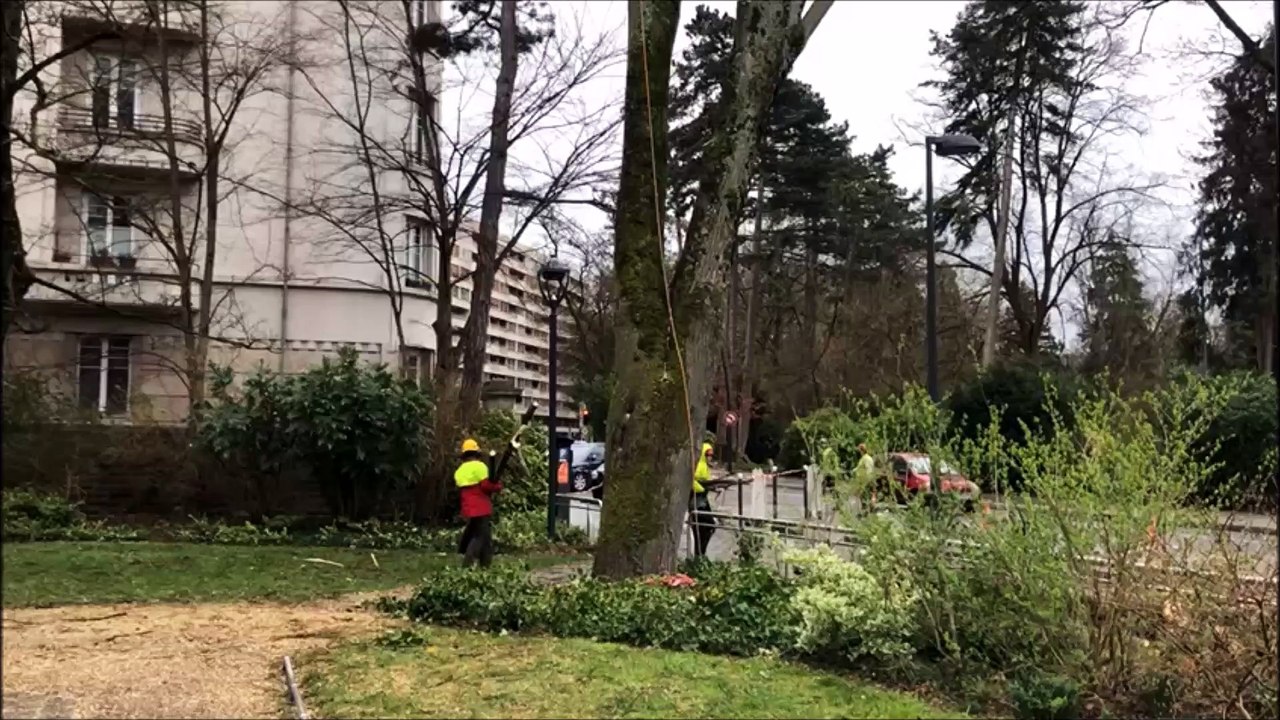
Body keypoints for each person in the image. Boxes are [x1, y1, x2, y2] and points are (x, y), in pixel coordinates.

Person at [455, 437, 502, 568]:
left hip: (468, 508)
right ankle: (467, 563)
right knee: (479, 537)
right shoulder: (480, 467)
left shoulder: (460, 471)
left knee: (485, 538)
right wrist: (497, 486)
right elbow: (486, 486)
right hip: (481, 508)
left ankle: (485, 565)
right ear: (476, 453)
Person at [690, 442, 716, 558]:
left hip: (703, 499)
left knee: (706, 527)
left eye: (711, 455)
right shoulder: (698, 466)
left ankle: (700, 553)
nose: (710, 457)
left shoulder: (705, 466)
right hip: (697, 500)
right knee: (705, 526)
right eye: (708, 454)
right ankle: (699, 554)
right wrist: (702, 489)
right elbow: (691, 481)